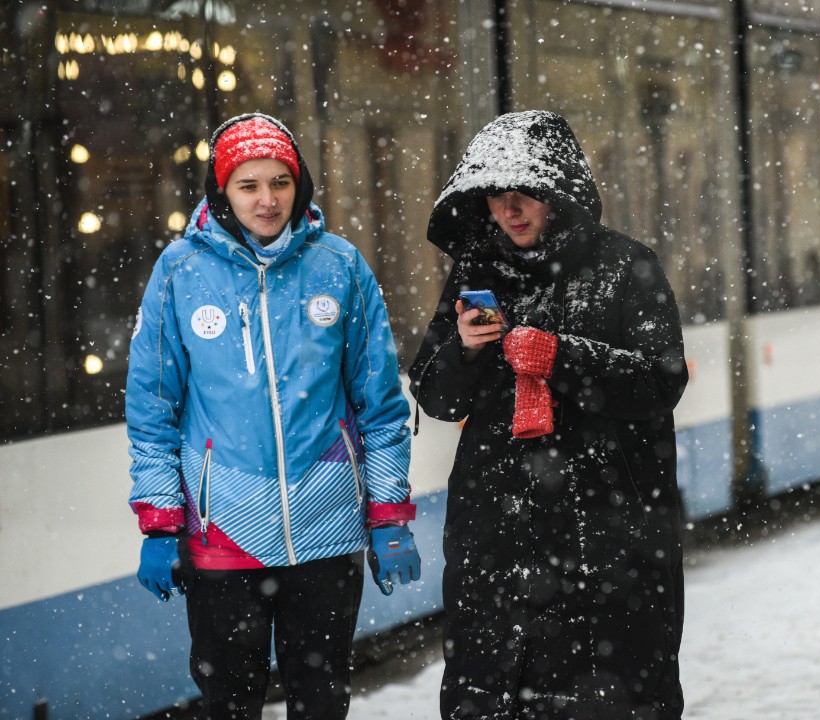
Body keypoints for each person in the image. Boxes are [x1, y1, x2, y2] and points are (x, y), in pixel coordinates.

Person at [127, 112, 421, 720]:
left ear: (300, 184)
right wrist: (160, 521)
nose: (268, 200)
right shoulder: (181, 271)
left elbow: (381, 407)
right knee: (228, 705)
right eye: (249, 184)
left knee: (321, 703)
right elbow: (153, 412)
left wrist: (388, 513)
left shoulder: (340, 266)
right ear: (222, 192)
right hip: (222, 534)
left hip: (325, 532)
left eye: (281, 182)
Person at [409, 110, 688, 719]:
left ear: (560, 193)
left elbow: (660, 381)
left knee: (607, 698)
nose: (510, 210)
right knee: (494, 695)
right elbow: (436, 396)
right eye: (495, 197)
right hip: (495, 536)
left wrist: (563, 358)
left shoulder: (625, 267)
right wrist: (465, 349)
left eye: (525, 194)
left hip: (608, 535)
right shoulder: (476, 273)